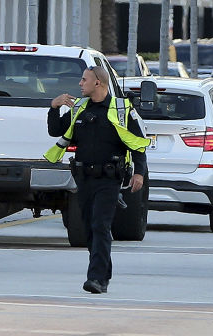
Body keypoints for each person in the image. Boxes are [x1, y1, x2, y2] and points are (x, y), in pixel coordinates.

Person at [44, 65, 149, 294]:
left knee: (101, 225)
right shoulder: (79, 108)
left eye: (84, 80)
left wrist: (139, 172)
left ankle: (96, 278)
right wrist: (54, 107)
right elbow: (56, 131)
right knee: (90, 229)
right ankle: (104, 272)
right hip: (84, 178)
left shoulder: (121, 110)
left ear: (97, 83)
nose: (80, 84)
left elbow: (138, 144)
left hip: (109, 179)